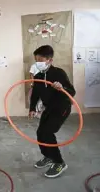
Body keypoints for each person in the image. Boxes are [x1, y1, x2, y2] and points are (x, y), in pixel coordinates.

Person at [29, 45, 76, 178]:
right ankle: (48, 156)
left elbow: (72, 91)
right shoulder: (38, 75)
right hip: (49, 108)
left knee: (48, 132)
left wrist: (62, 87)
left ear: (49, 60)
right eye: (36, 60)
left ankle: (59, 162)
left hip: (62, 107)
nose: (38, 63)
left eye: (40, 60)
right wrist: (32, 108)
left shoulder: (58, 73)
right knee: (40, 133)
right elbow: (35, 94)